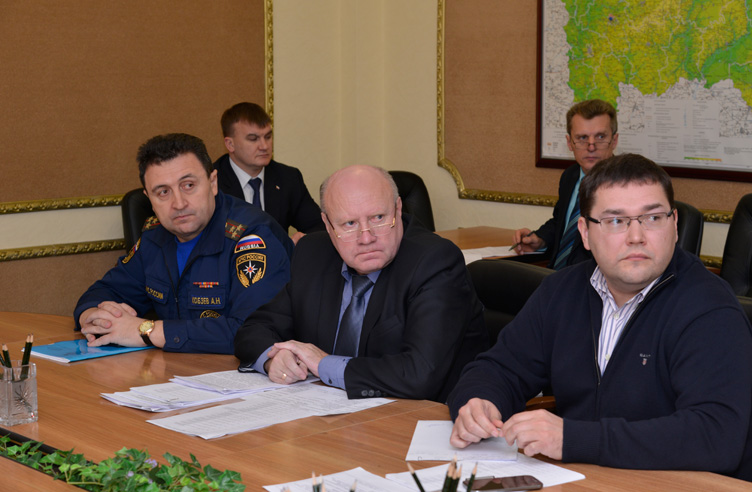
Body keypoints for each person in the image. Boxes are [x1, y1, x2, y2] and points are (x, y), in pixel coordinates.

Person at [448, 154, 752, 484]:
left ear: (674, 225)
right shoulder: (562, 291)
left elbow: (716, 436)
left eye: (653, 218)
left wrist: (572, 439)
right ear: (585, 233)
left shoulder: (709, 309)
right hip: (592, 478)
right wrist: (479, 402)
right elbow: (499, 368)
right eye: (616, 221)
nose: (636, 236)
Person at [235, 165, 489, 402]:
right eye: (349, 224)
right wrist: (274, 358)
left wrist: (323, 364)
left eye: (378, 217)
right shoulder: (313, 253)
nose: (366, 238)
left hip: (417, 416)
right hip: (325, 411)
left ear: (398, 209)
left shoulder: (435, 262)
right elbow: (255, 328)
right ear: (328, 225)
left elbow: (419, 374)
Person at [74, 133, 292, 354]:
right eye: (163, 192)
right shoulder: (155, 237)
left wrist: (147, 331)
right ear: (149, 199)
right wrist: (94, 317)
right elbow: (104, 291)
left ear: (213, 183)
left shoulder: (253, 237)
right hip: (174, 368)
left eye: (188, 185)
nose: (178, 204)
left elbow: (254, 332)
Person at [513, 99, 618, 269]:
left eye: (600, 137)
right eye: (582, 138)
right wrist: (540, 239)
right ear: (570, 143)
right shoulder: (570, 176)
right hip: (555, 275)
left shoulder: (625, 186)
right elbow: (561, 222)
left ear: (614, 141)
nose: (591, 146)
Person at [214, 102, 323, 244]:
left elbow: (318, 227)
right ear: (230, 144)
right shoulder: (212, 182)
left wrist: (303, 240)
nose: (264, 146)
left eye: (267, 136)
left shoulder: (288, 178)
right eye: (253, 139)